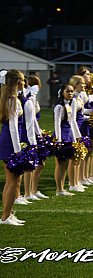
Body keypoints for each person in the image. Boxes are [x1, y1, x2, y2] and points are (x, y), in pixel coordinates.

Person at [0, 69, 26, 225]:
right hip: (10, 142)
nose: (25, 83)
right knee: (12, 181)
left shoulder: (10, 99)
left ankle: (7, 215)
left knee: (12, 181)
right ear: (17, 82)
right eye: (23, 80)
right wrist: (17, 152)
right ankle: (5, 217)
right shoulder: (13, 101)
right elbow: (13, 128)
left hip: (8, 141)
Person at [53, 83, 81, 196]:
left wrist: (74, 139)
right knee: (60, 164)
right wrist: (59, 142)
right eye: (67, 91)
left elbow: (71, 123)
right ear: (62, 93)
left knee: (65, 164)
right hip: (62, 137)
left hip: (68, 136)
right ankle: (59, 190)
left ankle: (62, 189)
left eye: (71, 91)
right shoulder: (59, 107)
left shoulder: (69, 105)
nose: (70, 93)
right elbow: (57, 125)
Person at [27, 74, 48, 199]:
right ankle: (30, 191)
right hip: (34, 132)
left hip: (36, 131)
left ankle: (33, 190)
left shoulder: (33, 97)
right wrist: (39, 133)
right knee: (36, 164)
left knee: (40, 163)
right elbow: (32, 119)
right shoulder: (31, 98)